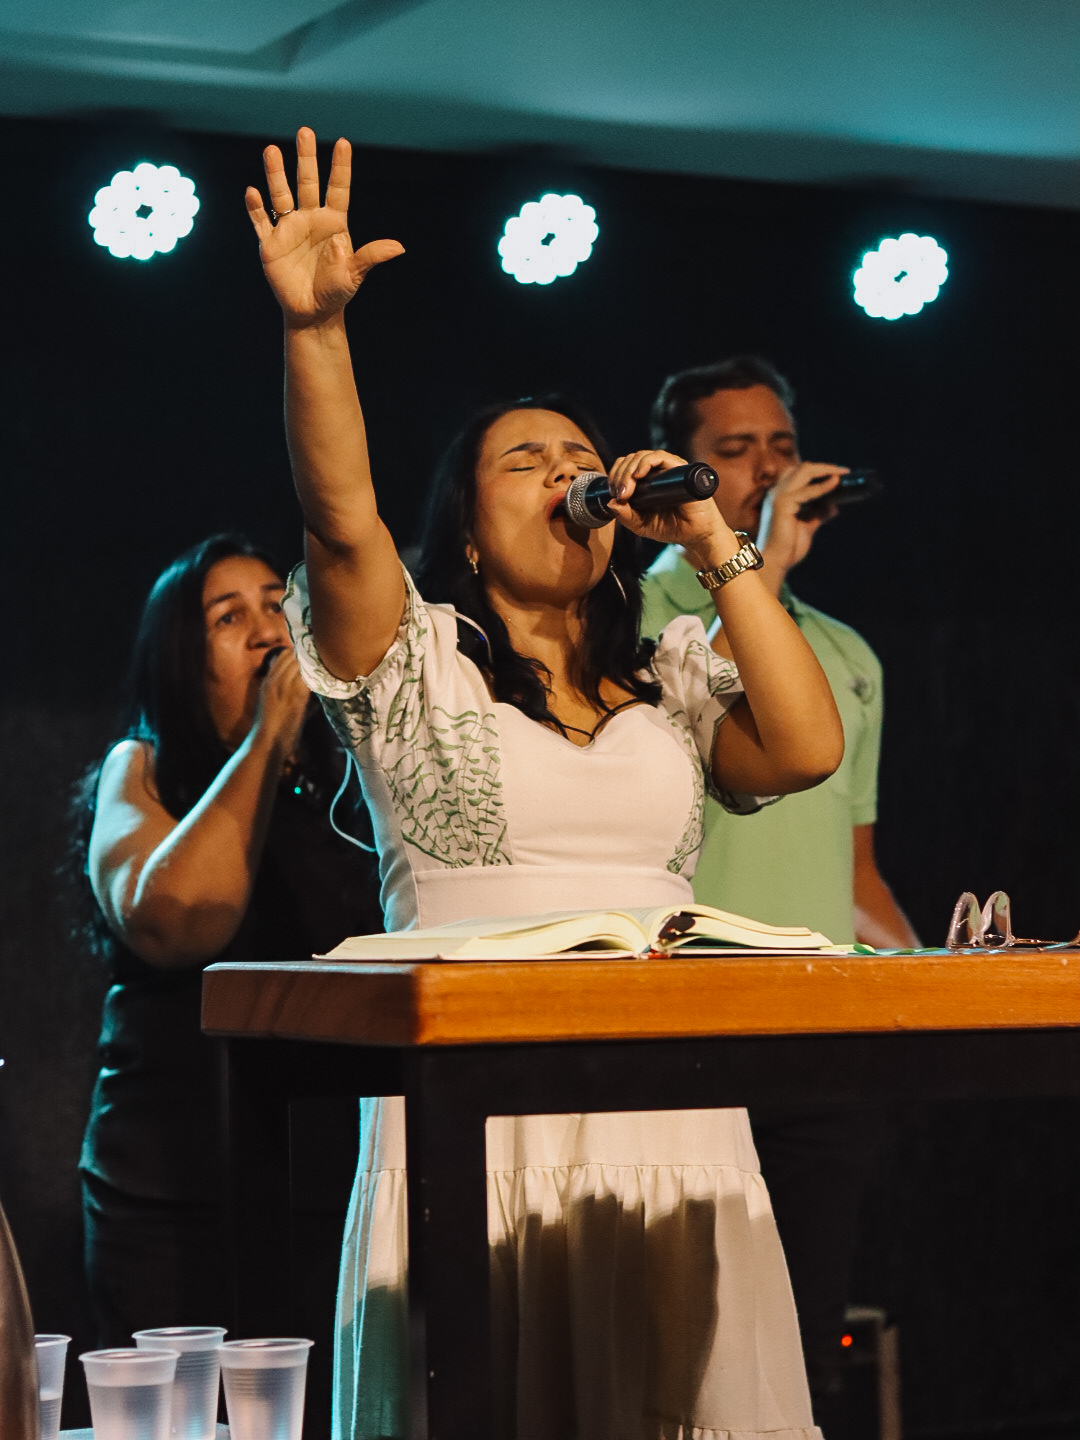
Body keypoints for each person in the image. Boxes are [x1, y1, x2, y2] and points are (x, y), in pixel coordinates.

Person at [247, 127, 845, 1440]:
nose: (567, 473)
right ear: (467, 530)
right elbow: (341, 520)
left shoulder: (670, 677)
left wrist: (710, 534)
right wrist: (315, 332)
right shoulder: (416, 668)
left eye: (579, 454)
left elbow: (807, 748)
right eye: (524, 460)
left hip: (672, 1113)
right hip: (478, 1113)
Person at [642, 357, 919, 1416]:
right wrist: (749, 560)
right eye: (733, 451)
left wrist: (930, 985)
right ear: (680, 470)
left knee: (802, 1343)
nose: (766, 468)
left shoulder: (846, 653)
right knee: (682, 1344)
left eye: (782, 448)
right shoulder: (635, 610)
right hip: (688, 1022)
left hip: (819, 1037)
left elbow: (855, 872)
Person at [76, 533, 383, 1346]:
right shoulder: (142, 768)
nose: (267, 631)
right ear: (181, 656)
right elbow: (178, 919)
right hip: (172, 1193)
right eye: (229, 616)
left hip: (320, 1182)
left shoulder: (343, 790)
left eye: (279, 607)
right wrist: (266, 736)